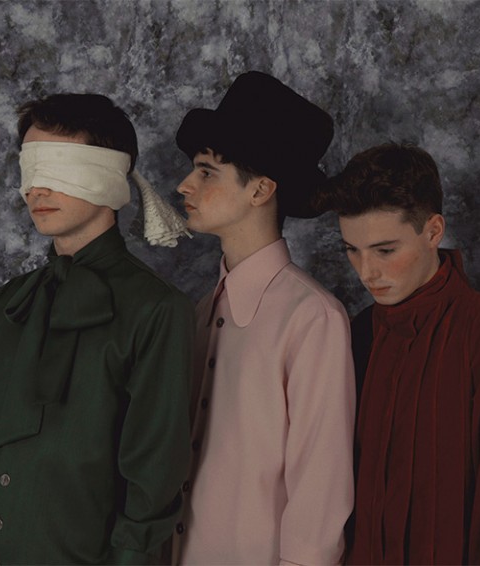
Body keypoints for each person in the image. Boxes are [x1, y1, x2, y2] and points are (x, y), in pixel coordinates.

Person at [0, 93, 194, 564]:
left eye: (58, 169)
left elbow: (152, 479)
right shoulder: (7, 304)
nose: (37, 190)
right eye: (31, 170)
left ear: (109, 174)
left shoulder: (155, 310)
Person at [319, 142, 480, 564]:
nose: (366, 271)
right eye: (352, 250)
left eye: (385, 250)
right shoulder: (356, 335)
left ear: (433, 231)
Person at [171, 71, 355, 565]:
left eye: (207, 171)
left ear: (260, 190)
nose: (185, 184)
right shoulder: (199, 313)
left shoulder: (312, 318)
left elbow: (319, 488)